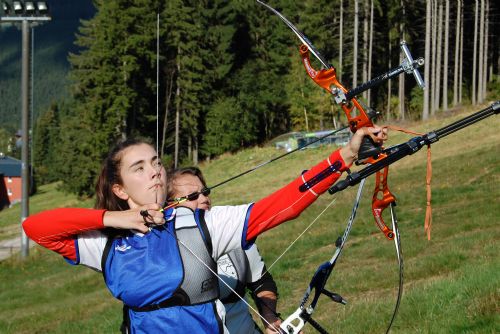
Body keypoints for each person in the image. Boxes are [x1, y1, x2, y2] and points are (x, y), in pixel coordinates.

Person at [23, 126, 387, 334]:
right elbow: (36, 227)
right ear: (119, 189)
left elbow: (279, 207)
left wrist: (344, 157)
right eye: (139, 168)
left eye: (156, 162)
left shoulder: (200, 223)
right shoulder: (103, 243)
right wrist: (112, 219)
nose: (154, 171)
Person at [167, 167, 280, 334]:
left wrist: (271, 321)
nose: (204, 199)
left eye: (205, 192)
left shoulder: (231, 232)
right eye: (192, 196)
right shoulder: (164, 248)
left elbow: (261, 282)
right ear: (169, 205)